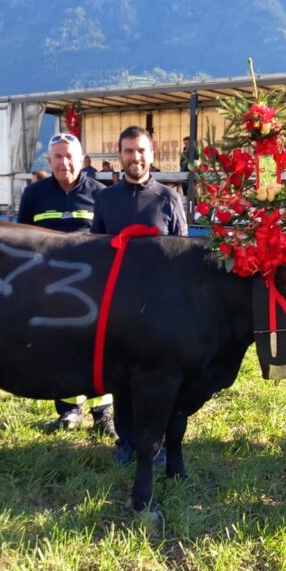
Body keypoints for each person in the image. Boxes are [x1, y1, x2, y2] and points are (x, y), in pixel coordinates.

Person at [91, 126, 187, 466]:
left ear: (152, 154)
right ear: (120, 156)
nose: (136, 157)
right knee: (123, 377)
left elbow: (183, 255)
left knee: (160, 378)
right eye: (129, 151)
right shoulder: (105, 199)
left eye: (142, 150)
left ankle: (156, 442)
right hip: (118, 307)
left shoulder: (169, 199)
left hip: (160, 308)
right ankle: (127, 441)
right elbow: (96, 251)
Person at [17, 132, 115, 436]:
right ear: (49, 160)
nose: (64, 162)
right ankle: (69, 411)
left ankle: (103, 415)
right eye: (58, 156)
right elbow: (21, 238)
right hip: (51, 289)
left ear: (82, 160)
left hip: (93, 289)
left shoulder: (102, 194)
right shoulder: (34, 195)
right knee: (61, 348)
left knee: (99, 348)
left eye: (70, 156)